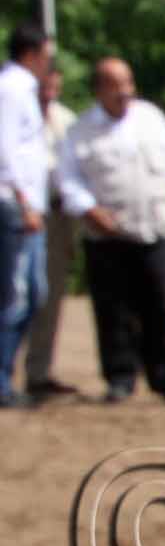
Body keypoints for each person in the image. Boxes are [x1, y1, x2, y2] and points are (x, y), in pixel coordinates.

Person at [58, 58, 165, 404]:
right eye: (116, 85)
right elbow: (68, 179)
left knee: (159, 305)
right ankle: (120, 377)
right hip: (108, 234)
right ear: (100, 89)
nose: (124, 92)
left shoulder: (151, 117)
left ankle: (164, 379)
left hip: (153, 229)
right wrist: (89, 209)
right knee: (113, 308)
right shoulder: (80, 129)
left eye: (128, 83)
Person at [20, 64, 81, 400]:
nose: (49, 96)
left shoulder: (66, 121)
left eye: (54, 89)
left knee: (50, 296)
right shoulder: (12, 116)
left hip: (56, 217)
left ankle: (38, 372)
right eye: (43, 89)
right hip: (18, 214)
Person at [0, 24, 54, 407]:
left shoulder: (22, 90)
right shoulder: (11, 90)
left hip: (25, 204)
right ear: (33, 54)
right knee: (16, 295)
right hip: (15, 204)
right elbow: (4, 150)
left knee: (33, 293)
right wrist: (24, 200)